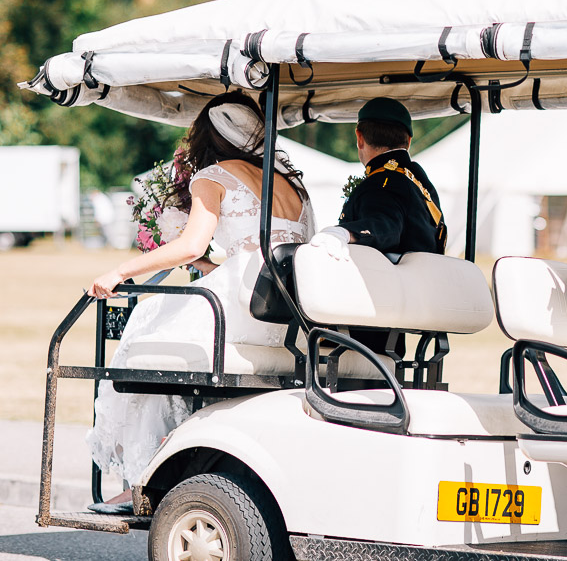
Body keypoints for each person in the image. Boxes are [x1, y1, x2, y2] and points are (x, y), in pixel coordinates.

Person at [86, 91, 315, 500]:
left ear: (210, 135)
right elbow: (275, 251)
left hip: (241, 309)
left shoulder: (214, 176)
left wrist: (120, 271)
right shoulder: (292, 185)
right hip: (285, 311)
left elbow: (191, 246)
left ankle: (145, 478)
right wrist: (212, 267)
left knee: (148, 327)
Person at [310, 96, 446, 257]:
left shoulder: (382, 182)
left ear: (359, 138)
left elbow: (385, 225)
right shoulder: (419, 181)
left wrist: (345, 233)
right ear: (409, 141)